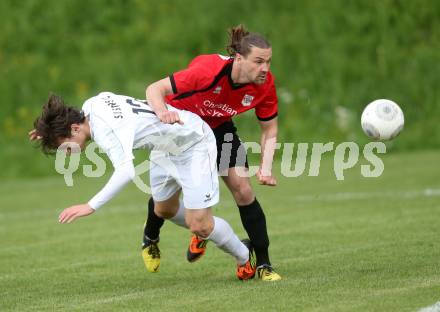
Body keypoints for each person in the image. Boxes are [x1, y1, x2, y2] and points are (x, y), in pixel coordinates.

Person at [30, 92, 256, 280]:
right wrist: (47, 131)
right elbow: (71, 119)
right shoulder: (90, 106)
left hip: (193, 143)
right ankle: (203, 225)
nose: (66, 153)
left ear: (74, 129)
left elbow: (126, 171)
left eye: (65, 147)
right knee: (164, 210)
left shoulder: (106, 132)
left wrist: (91, 205)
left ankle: (244, 257)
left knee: (201, 225)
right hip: (165, 147)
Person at [142, 25, 281, 281]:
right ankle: (150, 236)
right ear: (239, 59)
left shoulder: (264, 85)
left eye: (268, 62)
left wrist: (267, 166)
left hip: (218, 129)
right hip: (182, 129)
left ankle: (264, 264)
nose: (265, 69)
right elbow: (154, 89)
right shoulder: (208, 71)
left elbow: (269, 128)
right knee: (164, 206)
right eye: (259, 62)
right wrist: (163, 114)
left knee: (244, 190)